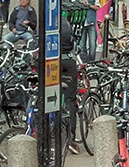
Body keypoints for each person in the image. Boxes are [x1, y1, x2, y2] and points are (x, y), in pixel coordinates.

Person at [60, 14, 79, 154]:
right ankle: (71, 136)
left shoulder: (49, 23)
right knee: (70, 100)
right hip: (69, 60)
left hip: (54, 62)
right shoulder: (66, 23)